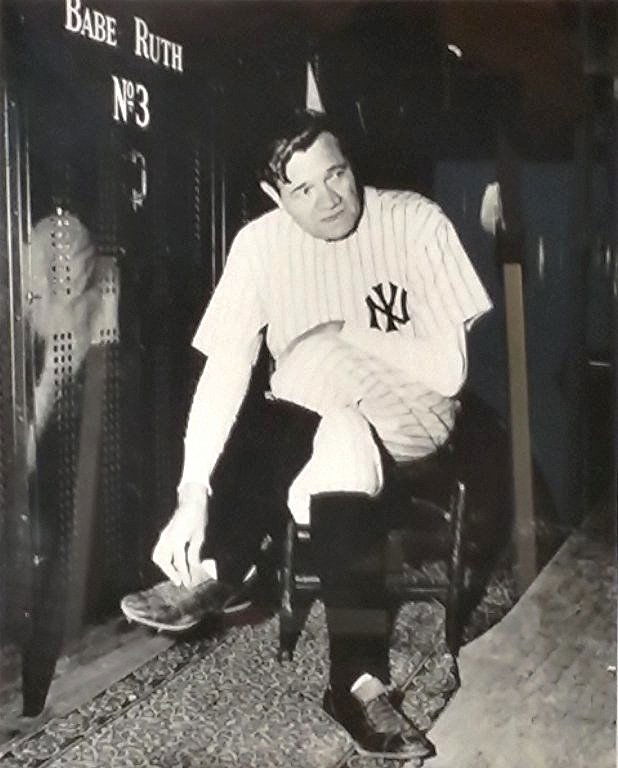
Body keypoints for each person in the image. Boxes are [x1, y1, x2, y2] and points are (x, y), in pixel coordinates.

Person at [121, 110, 492, 760]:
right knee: (337, 432)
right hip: (323, 437)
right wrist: (191, 491)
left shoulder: (415, 221)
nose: (330, 200)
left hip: (417, 427)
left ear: (350, 162)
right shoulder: (259, 246)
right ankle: (358, 683)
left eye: (337, 175)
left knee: (301, 364)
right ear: (273, 196)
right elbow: (225, 367)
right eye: (303, 191)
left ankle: (224, 564)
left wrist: (343, 332)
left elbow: (451, 368)